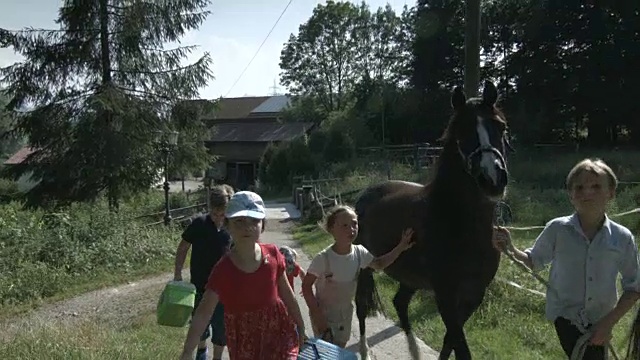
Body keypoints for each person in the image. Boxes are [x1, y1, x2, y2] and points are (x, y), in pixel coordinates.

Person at [492, 158, 640, 360]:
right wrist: (511, 248)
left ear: (611, 193)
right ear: (571, 195)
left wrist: (608, 323)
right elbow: (533, 260)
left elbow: (634, 286)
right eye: (579, 188)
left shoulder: (622, 238)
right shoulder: (557, 229)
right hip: (566, 318)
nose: (587, 192)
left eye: (596, 186)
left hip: (602, 319)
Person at [179, 191, 307, 360]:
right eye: (239, 221)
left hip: (278, 330)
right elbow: (203, 313)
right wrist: (188, 351)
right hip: (245, 338)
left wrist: (301, 324)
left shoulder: (273, 253)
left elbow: (287, 293)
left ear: (263, 224)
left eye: (254, 221)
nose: (247, 227)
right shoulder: (224, 269)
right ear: (227, 225)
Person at [301, 205, 415, 348]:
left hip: (345, 314)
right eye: (345, 225)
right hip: (324, 315)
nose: (351, 229)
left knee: (340, 349)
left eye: (354, 223)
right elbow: (306, 286)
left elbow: (379, 264)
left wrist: (401, 246)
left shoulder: (359, 253)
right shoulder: (323, 259)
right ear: (331, 229)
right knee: (326, 352)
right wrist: (317, 315)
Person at [174, 185, 234, 360]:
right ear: (209, 209)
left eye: (222, 214)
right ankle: (202, 350)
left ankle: (217, 357)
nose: (218, 218)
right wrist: (178, 273)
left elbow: (238, 256)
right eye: (214, 214)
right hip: (200, 286)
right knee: (199, 325)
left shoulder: (231, 229)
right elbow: (183, 247)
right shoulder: (199, 224)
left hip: (224, 290)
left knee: (221, 328)